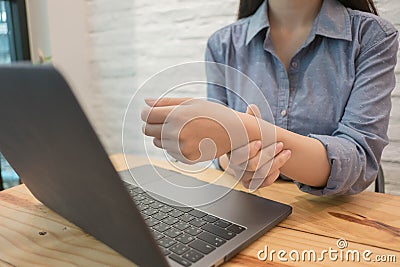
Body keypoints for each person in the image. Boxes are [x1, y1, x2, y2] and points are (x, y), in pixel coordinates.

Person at [142, 0, 399, 196]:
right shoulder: (223, 44)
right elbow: (220, 149)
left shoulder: (372, 36)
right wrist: (235, 159)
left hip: (330, 222)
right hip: (248, 207)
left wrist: (242, 129)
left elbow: (359, 159)